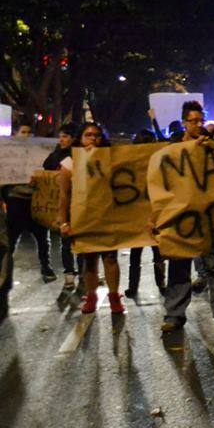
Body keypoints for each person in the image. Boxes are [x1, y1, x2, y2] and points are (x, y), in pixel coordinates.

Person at [159, 101, 214, 332]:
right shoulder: (173, 148)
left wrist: (210, 147)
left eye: (200, 121)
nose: (197, 125)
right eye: (192, 121)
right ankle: (174, 315)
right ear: (184, 122)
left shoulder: (211, 145)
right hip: (180, 216)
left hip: (210, 216)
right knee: (179, 266)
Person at [58, 122, 124, 314]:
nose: (93, 139)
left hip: (107, 218)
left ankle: (114, 297)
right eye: (88, 135)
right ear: (80, 138)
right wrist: (63, 222)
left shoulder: (112, 161)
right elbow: (64, 196)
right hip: (84, 220)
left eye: (97, 135)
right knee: (90, 261)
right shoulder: (70, 164)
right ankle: (92, 296)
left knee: (111, 259)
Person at [2, 122, 56, 283]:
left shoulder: (39, 154)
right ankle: (5, 270)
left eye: (29, 132)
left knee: (42, 238)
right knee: (10, 240)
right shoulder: (7, 155)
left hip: (35, 201)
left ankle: (46, 267)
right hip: (15, 202)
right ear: (15, 135)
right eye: (23, 132)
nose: (27, 135)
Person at [125, 130, 165, 298]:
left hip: (151, 215)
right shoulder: (138, 164)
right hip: (142, 215)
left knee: (149, 254)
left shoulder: (158, 163)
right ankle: (159, 283)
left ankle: (135, 286)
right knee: (151, 254)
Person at [43, 123, 78, 291]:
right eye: (60, 136)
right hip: (64, 205)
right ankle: (69, 275)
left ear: (73, 138)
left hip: (79, 205)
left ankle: (87, 274)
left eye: (65, 136)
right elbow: (45, 172)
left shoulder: (78, 155)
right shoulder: (55, 155)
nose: (61, 140)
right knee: (66, 242)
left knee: (82, 242)